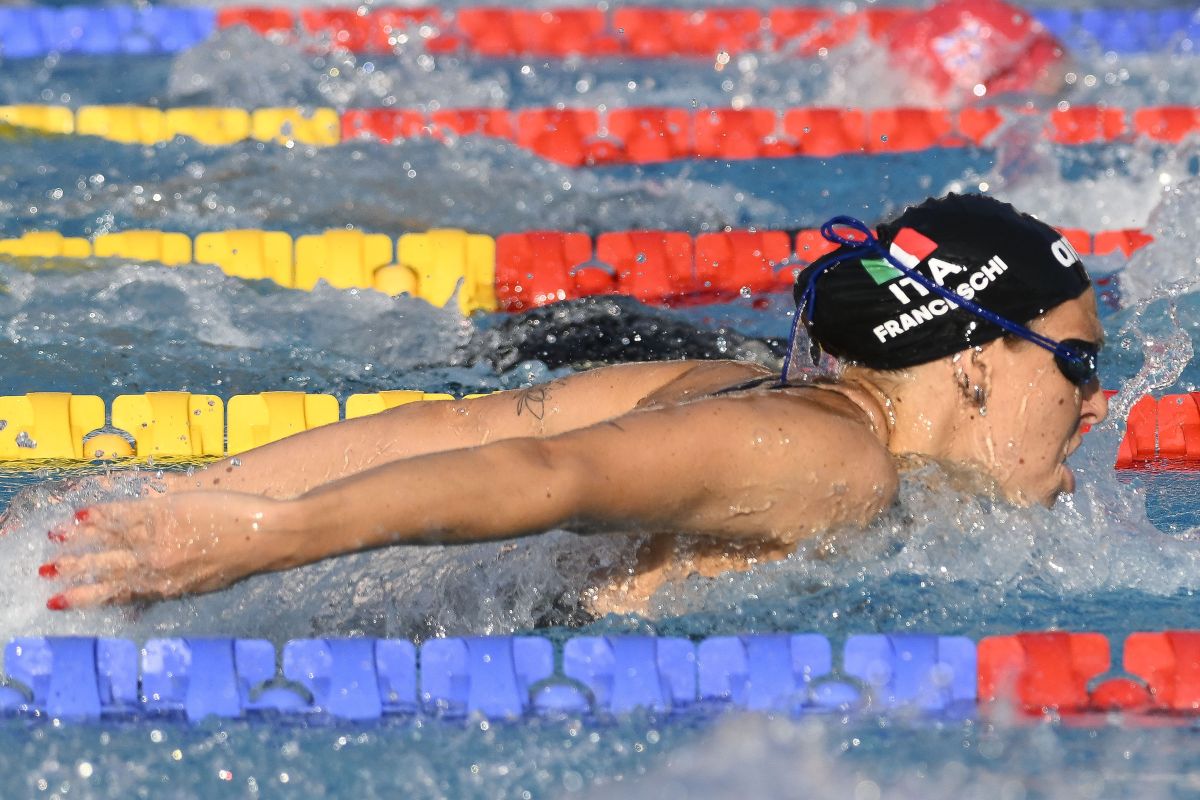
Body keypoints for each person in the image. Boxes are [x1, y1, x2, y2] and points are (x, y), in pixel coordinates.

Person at [37, 194, 1107, 615]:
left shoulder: (738, 390)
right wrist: (260, 538)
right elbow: (545, 473)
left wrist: (179, 503)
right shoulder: (833, 460)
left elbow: (468, 425)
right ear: (976, 358)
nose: (1094, 407)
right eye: (1076, 364)